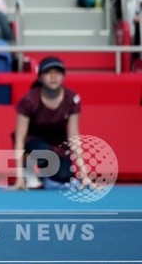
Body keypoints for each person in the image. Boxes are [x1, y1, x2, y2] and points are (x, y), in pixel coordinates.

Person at [12, 57, 91, 189]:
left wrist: (84, 175)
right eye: (48, 72)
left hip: (58, 145)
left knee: (65, 175)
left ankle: (42, 176)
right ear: (39, 78)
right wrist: (18, 178)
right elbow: (19, 139)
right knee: (44, 153)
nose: (53, 76)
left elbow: (74, 138)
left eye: (58, 72)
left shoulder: (72, 99)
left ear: (63, 76)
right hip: (33, 143)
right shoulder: (29, 100)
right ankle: (28, 170)